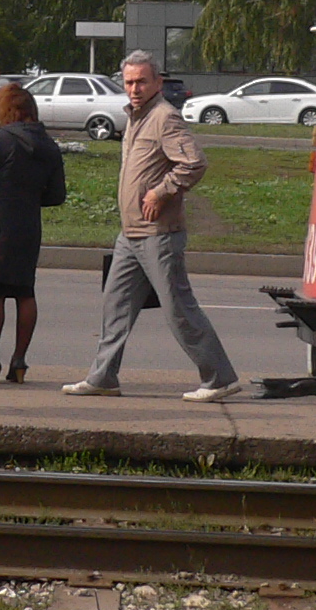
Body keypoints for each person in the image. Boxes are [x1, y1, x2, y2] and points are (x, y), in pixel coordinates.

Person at [64, 51, 243, 403]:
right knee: (114, 307)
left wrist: (161, 192)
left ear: (157, 83)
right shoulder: (135, 117)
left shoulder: (164, 117)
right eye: (129, 82)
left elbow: (194, 163)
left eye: (142, 81)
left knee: (178, 308)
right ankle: (103, 378)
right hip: (130, 234)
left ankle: (219, 377)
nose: (134, 88)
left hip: (159, 235)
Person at [0, 81, 66, 383]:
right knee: (25, 292)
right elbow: (57, 194)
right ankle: (19, 362)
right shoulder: (48, 145)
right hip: (28, 226)